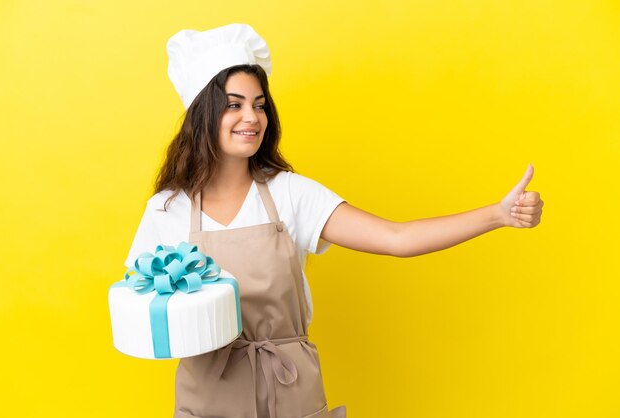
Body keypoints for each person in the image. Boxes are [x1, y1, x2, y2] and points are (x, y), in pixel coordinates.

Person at [125, 23, 543, 418]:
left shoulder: (290, 193)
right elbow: (141, 308)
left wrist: (496, 214)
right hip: (209, 397)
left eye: (259, 105)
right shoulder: (169, 209)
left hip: (290, 390)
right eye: (234, 105)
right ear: (203, 114)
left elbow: (396, 238)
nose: (251, 118)